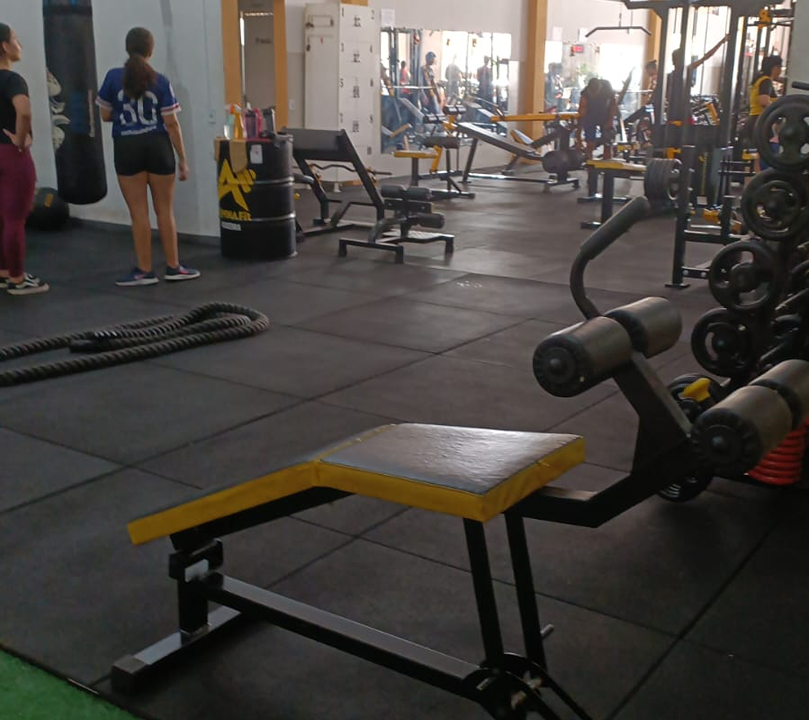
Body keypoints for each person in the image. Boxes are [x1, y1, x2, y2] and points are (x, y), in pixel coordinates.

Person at [97, 27, 199, 286]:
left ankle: (144, 271)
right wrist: (183, 160)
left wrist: (125, 115)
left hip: (127, 147)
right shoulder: (161, 81)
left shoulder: (113, 78)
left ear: (127, 48)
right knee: (165, 211)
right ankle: (174, 267)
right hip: (158, 147)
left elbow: (105, 115)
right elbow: (171, 124)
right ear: (150, 51)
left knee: (139, 214)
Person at [0, 23, 48, 295]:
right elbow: (25, 111)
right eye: (16, 40)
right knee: (15, 218)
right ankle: (17, 279)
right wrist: (20, 138)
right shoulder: (12, 80)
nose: (19, 45)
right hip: (11, 155)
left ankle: (3, 272)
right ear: (5, 46)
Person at [666, 35, 729, 123]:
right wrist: (721, 42)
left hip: (672, 114)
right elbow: (706, 57)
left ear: (673, 61)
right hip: (684, 114)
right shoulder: (687, 70)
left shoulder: (669, 76)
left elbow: (665, 95)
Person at [748, 55, 783, 169]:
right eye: (780, 68)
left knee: (756, 157)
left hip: (755, 120)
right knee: (765, 155)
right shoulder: (766, 81)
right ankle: (762, 179)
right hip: (762, 122)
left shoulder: (759, 79)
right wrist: (779, 109)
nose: (780, 71)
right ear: (775, 68)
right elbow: (763, 101)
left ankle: (754, 180)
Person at [576, 78, 617, 160]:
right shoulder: (585, 94)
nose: (594, 95)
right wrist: (578, 136)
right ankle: (589, 159)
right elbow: (581, 114)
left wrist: (611, 119)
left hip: (605, 114)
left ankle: (607, 160)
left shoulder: (607, 89)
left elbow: (613, 105)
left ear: (600, 88)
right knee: (590, 141)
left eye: (596, 93)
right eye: (592, 93)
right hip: (590, 115)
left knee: (607, 140)